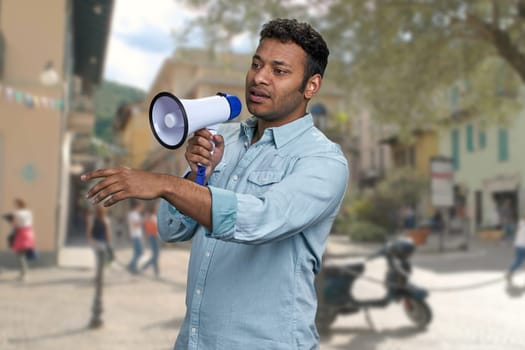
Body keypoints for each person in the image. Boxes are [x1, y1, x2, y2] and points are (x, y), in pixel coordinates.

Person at [81, 18, 349, 349]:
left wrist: (167, 184)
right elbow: (171, 229)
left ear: (311, 86)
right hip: (195, 341)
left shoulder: (323, 161)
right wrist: (198, 175)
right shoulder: (226, 138)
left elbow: (261, 220)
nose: (259, 77)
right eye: (256, 64)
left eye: (279, 71)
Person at [11, 198, 36, 281]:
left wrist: (12, 220)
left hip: (21, 233)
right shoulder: (28, 212)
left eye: (15, 204)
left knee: (20, 255)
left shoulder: (17, 213)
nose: (14, 205)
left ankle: (24, 274)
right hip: (29, 232)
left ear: (18, 204)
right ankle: (22, 274)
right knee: (23, 254)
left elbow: (15, 224)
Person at [141, 200, 161, 277]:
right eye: (157, 206)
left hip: (155, 237)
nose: (158, 208)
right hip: (153, 237)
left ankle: (156, 271)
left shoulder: (155, 216)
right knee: (156, 255)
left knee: (156, 255)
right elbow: (148, 228)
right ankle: (145, 267)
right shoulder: (150, 217)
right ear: (153, 208)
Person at [506, 213, 525, 283]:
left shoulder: (521, 223)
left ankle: (510, 272)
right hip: (522, 245)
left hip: (518, 244)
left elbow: (517, 232)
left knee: (518, 261)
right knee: (518, 261)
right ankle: (510, 272)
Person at [127, 201, 144, 274]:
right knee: (139, 252)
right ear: (137, 206)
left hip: (138, 236)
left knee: (137, 252)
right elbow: (134, 224)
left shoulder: (137, 214)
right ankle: (133, 267)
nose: (142, 209)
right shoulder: (132, 214)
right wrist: (142, 221)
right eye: (141, 207)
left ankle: (131, 266)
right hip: (135, 236)